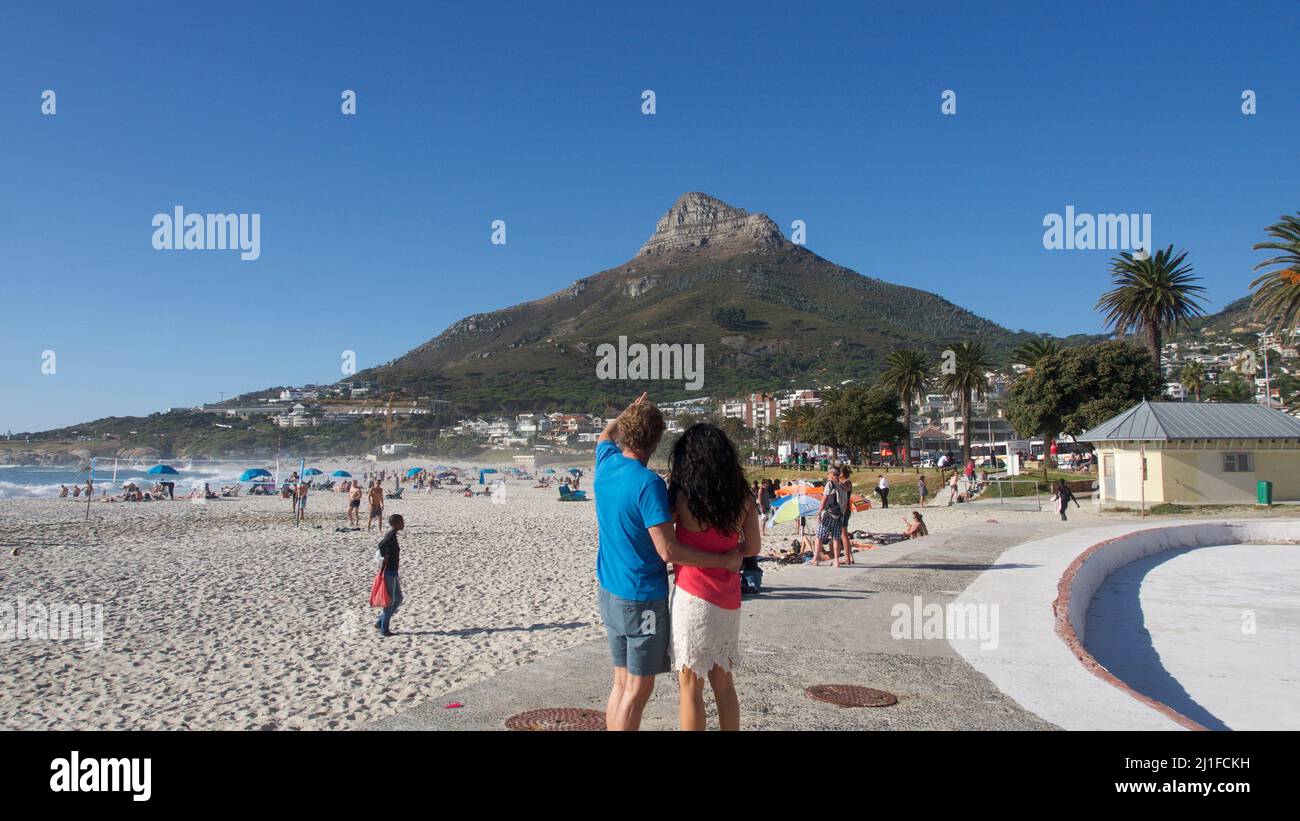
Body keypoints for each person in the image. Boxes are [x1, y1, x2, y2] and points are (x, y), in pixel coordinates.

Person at [594, 393, 742, 732]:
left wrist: (626, 412)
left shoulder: (605, 461)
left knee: (620, 683)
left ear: (626, 432)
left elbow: (605, 435)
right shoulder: (648, 485)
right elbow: (669, 552)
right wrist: (722, 560)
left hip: (608, 591)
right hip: (641, 598)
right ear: (658, 439)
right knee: (637, 688)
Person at [666, 422, 762, 731]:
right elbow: (754, 547)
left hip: (693, 597)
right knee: (724, 686)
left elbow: (665, 544)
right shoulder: (742, 496)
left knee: (690, 689)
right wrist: (730, 555)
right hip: (728, 599)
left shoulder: (682, 496)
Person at [374, 514, 405, 636]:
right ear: (396, 524)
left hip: (393, 572)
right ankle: (384, 629)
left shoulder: (393, 535)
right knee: (390, 601)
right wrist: (384, 555)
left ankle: (380, 621)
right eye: (401, 522)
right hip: (389, 572)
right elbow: (381, 545)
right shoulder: (391, 535)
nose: (403, 524)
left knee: (399, 598)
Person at [811, 466, 845, 567]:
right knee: (836, 538)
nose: (827, 474)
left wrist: (819, 512)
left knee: (819, 536)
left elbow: (824, 499)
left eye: (828, 473)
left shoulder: (830, 484)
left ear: (832, 474)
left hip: (830, 513)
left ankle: (815, 558)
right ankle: (836, 560)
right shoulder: (841, 485)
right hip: (839, 515)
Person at [837, 467, 855, 565]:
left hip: (844, 509)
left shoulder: (847, 482)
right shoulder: (841, 481)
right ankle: (850, 557)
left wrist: (838, 483)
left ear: (843, 473)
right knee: (844, 534)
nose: (838, 474)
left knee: (843, 535)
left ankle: (847, 558)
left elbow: (847, 489)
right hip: (843, 509)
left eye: (839, 472)